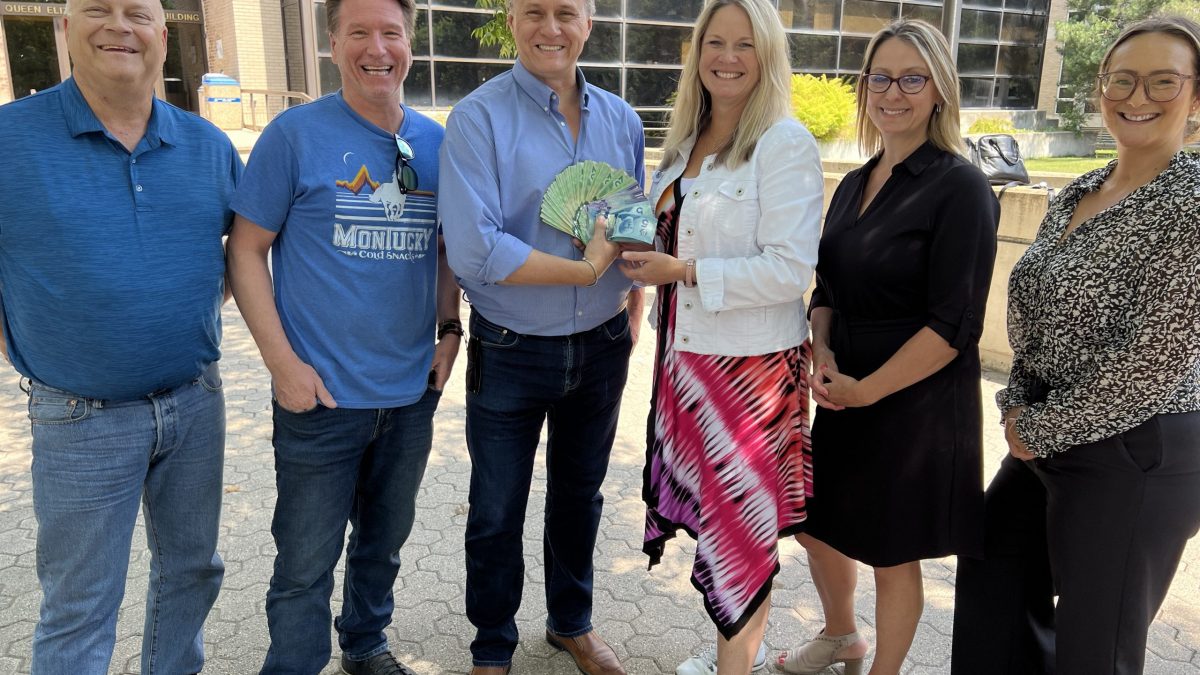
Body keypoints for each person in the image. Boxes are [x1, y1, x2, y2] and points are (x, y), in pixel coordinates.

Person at [952, 16, 1200, 675]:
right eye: (1121, 78)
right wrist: (1017, 405)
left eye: (1163, 81)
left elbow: (1149, 363)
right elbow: (1034, 310)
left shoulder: (1191, 202)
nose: (1136, 95)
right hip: (1045, 434)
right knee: (992, 581)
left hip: (1136, 449)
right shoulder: (1079, 192)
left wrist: (1038, 425)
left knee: (1095, 646)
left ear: (1196, 95)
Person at [0, 0, 241, 670]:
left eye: (137, 12)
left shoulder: (210, 147)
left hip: (195, 402)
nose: (118, 26)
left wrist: (170, 309)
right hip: (78, 415)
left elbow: (236, 261)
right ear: (67, 29)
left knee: (193, 572)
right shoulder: (8, 140)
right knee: (79, 605)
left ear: (162, 37)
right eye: (97, 9)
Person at [225, 0, 460, 670]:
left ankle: (364, 644)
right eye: (359, 32)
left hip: (411, 394)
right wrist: (281, 365)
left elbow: (445, 249)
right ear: (333, 43)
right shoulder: (294, 135)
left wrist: (450, 329)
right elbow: (245, 251)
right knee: (304, 561)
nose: (376, 48)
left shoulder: (437, 143)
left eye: (391, 33)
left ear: (410, 44)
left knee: (383, 544)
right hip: (319, 398)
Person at [777, 19, 999, 675]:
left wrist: (868, 388)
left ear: (939, 91)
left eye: (911, 78)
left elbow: (957, 322)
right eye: (880, 76)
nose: (893, 92)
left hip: (916, 403)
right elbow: (828, 288)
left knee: (891, 551)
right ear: (863, 86)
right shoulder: (855, 181)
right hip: (845, 390)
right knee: (816, 524)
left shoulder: (960, 186)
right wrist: (822, 352)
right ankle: (843, 634)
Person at [437, 0, 645, 671]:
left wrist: (631, 294)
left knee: (580, 494)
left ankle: (570, 621)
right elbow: (474, 250)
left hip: (605, 344)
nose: (550, 27)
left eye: (566, 11)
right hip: (511, 348)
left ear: (589, 21)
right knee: (496, 507)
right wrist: (582, 268)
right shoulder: (476, 118)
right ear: (511, 21)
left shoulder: (622, 118)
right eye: (534, 11)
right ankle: (492, 647)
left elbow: (630, 220)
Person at [617, 0, 822, 673]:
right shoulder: (684, 143)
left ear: (767, 57)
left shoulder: (783, 142)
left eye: (744, 44)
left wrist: (687, 270)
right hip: (687, 360)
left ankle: (735, 665)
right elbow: (663, 234)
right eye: (715, 42)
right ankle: (732, 654)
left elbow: (791, 267)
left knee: (742, 528)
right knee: (720, 520)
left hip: (752, 372)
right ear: (697, 51)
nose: (727, 57)